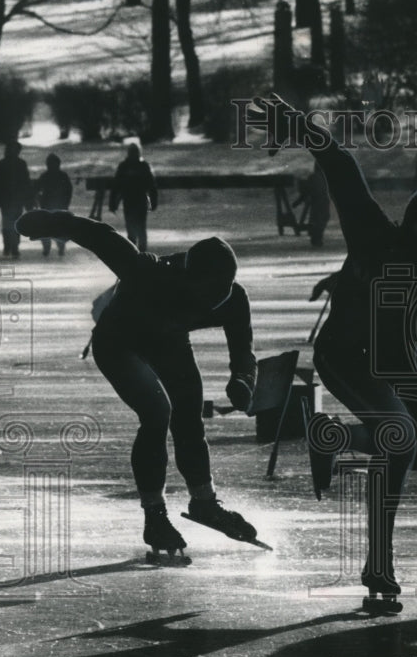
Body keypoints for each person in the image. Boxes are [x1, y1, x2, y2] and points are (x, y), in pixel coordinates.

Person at [253, 95, 417, 610]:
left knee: (415, 454)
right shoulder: (374, 235)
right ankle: (379, 565)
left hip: (393, 366)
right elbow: (341, 167)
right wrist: (303, 126)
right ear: (414, 228)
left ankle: (334, 436)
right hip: (346, 355)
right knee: (400, 438)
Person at [14, 209, 259, 563]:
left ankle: (204, 502)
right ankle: (154, 515)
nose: (210, 300)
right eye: (204, 291)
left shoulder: (233, 299)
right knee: (158, 413)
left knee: (189, 413)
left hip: (169, 343)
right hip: (118, 344)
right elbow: (100, 235)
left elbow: (244, 352)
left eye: (220, 291)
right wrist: (47, 221)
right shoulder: (148, 272)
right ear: (188, 277)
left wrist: (242, 381)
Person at [109, 144, 158, 252]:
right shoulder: (144, 166)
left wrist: (113, 203)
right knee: (141, 228)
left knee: (131, 228)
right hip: (140, 200)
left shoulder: (124, 166)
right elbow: (151, 186)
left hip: (129, 200)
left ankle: (133, 253)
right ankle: (142, 253)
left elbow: (116, 186)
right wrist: (153, 202)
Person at [0, 141, 33, 259]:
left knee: (10, 224)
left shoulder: (6, 164)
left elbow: (25, 183)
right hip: (10, 200)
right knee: (11, 224)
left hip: (11, 200)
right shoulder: (17, 164)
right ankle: (10, 246)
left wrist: (28, 199)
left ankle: (11, 247)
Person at [33, 153, 73, 256]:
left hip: (53, 206)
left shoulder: (47, 176)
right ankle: (55, 247)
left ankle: (54, 247)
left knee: (49, 228)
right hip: (52, 206)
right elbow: (68, 191)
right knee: (57, 227)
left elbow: (36, 189)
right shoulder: (60, 176)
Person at [292, 166, 331, 247]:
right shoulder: (325, 177)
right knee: (321, 220)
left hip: (317, 202)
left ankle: (316, 238)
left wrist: (298, 202)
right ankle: (317, 238)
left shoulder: (314, 177)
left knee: (317, 220)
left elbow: (306, 192)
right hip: (323, 201)